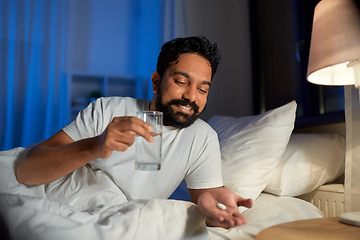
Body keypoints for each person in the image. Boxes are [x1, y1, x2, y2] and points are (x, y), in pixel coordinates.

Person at [15, 36, 252, 228]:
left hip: (120, 220)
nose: (191, 96)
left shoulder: (202, 137)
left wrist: (215, 212)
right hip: (60, 199)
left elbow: (211, 207)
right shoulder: (107, 109)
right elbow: (27, 170)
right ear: (157, 81)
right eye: (181, 81)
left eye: (202, 89)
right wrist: (96, 146)